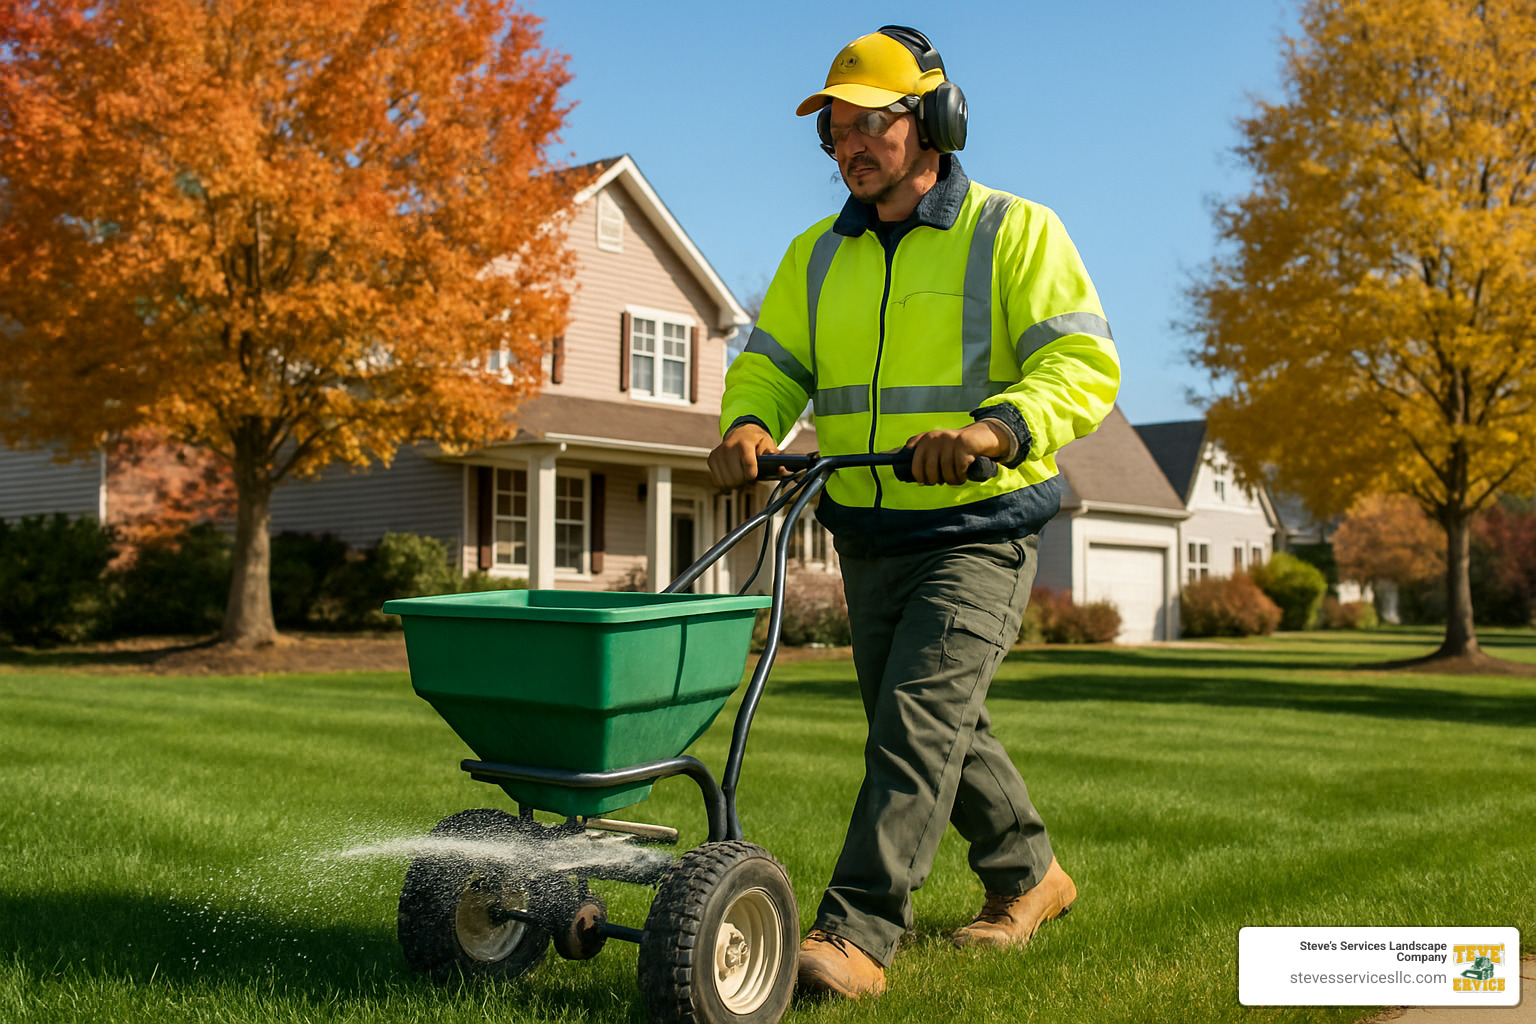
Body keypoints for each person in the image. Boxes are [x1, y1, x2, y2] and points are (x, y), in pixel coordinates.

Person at [707, 25, 1119, 1000]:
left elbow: (1082, 363)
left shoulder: (1015, 232)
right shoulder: (817, 256)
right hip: (869, 525)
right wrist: (749, 423)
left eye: (871, 124)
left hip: (982, 522)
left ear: (932, 123)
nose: (851, 145)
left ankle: (856, 930)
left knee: (916, 721)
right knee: (934, 720)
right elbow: (771, 363)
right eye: (836, 129)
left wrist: (995, 427)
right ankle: (1029, 875)